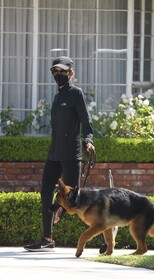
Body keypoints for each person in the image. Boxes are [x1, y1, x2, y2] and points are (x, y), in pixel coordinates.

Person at [24, 56, 95, 251]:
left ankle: (105, 236)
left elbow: (87, 122)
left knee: (75, 200)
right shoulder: (57, 97)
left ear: (70, 73)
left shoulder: (76, 94)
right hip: (54, 154)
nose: (58, 74)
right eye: (54, 71)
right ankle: (47, 239)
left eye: (62, 71)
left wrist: (88, 141)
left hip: (71, 154)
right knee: (46, 192)